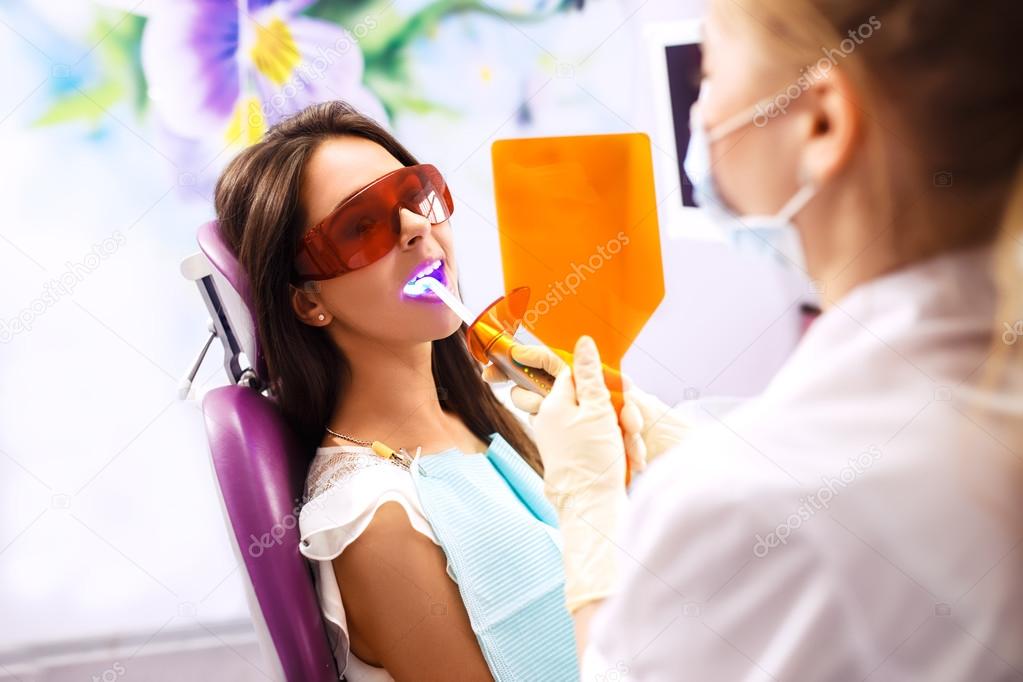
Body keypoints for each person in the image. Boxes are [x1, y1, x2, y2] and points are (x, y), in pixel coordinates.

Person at [488, 0, 1023, 678]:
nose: (700, 111)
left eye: (706, 70)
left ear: (821, 122)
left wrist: (590, 511)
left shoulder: (747, 504)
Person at [214, 102, 577, 681]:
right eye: (360, 226)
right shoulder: (378, 520)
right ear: (309, 302)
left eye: (418, 194)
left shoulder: (494, 415)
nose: (415, 226)